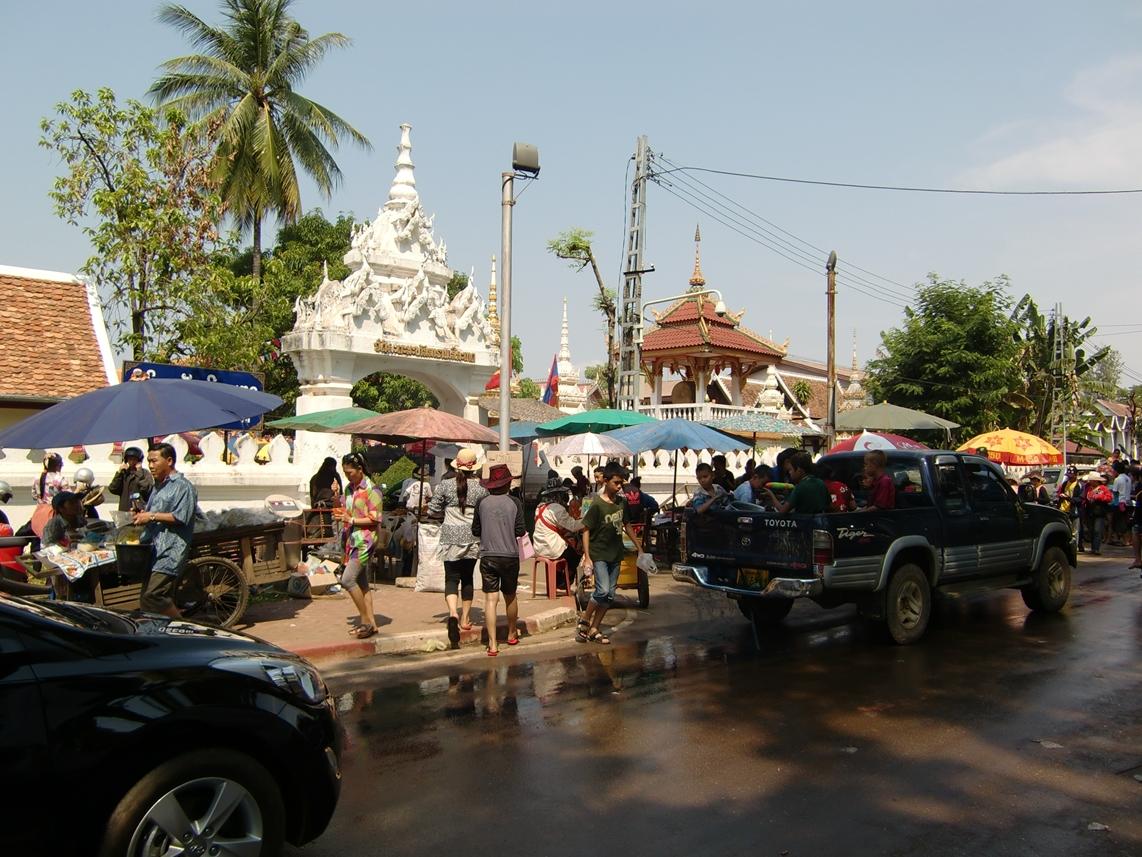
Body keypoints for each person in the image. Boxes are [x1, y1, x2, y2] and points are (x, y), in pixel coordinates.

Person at [576, 461, 644, 645]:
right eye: (616, 483)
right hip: (599, 554)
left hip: (616, 554)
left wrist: (639, 548)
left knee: (610, 595)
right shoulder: (597, 505)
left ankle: (594, 629)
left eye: (621, 483)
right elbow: (585, 530)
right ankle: (585, 619)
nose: (619, 486)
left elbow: (627, 525)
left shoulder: (622, 502)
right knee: (603, 590)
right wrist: (588, 557)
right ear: (605, 481)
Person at [426, 448, 487, 649]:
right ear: (474, 467)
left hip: (450, 537)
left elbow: (432, 510)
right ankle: (465, 618)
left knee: (451, 578)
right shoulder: (481, 488)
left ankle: (453, 614)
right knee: (467, 578)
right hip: (472, 537)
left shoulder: (445, 485)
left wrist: (445, 513)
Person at [133, 444, 198, 618]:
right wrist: (143, 515)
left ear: (169, 461)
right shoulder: (159, 487)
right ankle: (155, 629)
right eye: (149, 461)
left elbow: (181, 517)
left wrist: (151, 516)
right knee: (146, 599)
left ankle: (184, 627)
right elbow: (155, 513)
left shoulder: (183, 487)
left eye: (154, 461)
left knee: (154, 595)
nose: (150, 466)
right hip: (153, 549)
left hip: (170, 550)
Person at [471, 464, 526, 656]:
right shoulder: (515, 502)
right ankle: (511, 633)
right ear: (508, 483)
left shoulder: (481, 502)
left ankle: (493, 644)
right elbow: (520, 530)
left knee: (490, 599)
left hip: (488, 556)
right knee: (510, 596)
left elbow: (475, 530)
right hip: (510, 556)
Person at [335, 451, 383, 638]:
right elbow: (346, 511)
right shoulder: (349, 489)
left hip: (365, 541)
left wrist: (352, 520)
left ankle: (365, 622)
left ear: (360, 469)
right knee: (362, 583)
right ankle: (372, 623)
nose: (348, 476)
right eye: (345, 473)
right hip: (350, 539)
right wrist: (337, 500)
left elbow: (375, 519)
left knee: (347, 580)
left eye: (350, 472)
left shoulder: (373, 490)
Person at [534, 477, 586, 588]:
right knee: (575, 554)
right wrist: (588, 520)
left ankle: (558, 580)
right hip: (552, 548)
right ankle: (564, 582)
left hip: (539, 547)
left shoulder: (539, 508)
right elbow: (573, 526)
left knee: (567, 550)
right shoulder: (557, 508)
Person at [761, 451, 830, 514]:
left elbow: (782, 511)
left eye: (790, 470)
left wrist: (771, 495)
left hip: (803, 522)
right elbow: (829, 506)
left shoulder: (800, 487)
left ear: (799, 470)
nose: (789, 473)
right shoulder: (821, 483)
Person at [108, 446, 154, 512]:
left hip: (139, 510)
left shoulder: (145, 473)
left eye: (134, 459)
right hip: (124, 510)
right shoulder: (124, 473)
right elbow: (113, 489)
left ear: (139, 460)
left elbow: (147, 490)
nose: (132, 462)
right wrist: (119, 473)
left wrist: (139, 473)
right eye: (130, 459)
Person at [1080, 471, 1113, 555]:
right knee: (1091, 531)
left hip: (1100, 512)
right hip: (1090, 512)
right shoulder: (1088, 488)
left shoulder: (1103, 488)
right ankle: (1093, 548)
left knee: (1097, 530)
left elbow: (1109, 498)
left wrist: (1100, 497)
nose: (1089, 481)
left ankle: (1096, 548)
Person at [1109, 461, 1132, 547]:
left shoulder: (1117, 479)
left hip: (1119, 503)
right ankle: (1126, 540)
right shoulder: (1128, 478)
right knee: (1125, 521)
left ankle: (1123, 540)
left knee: (1119, 522)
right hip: (1127, 502)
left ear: (1116, 470)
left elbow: (1115, 492)